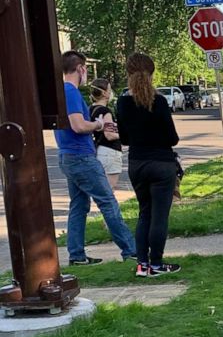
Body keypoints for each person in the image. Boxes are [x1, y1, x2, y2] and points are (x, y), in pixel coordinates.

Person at [54, 50, 137, 265]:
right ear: (81, 68)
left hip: (68, 155)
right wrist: (98, 125)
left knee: (79, 206)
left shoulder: (60, 93)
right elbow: (78, 125)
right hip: (81, 157)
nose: (86, 74)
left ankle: (77, 255)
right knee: (108, 202)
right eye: (86, 70)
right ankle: (131, 250)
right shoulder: (70, 93)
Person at [116, 53, 181, 277]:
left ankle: (142, 264)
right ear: (152, 74)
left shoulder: (123, 103)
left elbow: (124, 138)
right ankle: (157, 263)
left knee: (145, 213)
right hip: (161, 163)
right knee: (159, 216)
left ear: (128, 74)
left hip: (137, 163)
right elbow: (173, 138)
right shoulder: (160, 101)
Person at [89, 78, 123, 190]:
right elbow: (110, 134)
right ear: (104, 93)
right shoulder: (105, 111)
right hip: (110, 152)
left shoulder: (91, 109)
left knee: (103, 188)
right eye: (109, 89)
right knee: (109, 188)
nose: (111, 92)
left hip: (99, 150)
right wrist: (127, 135)